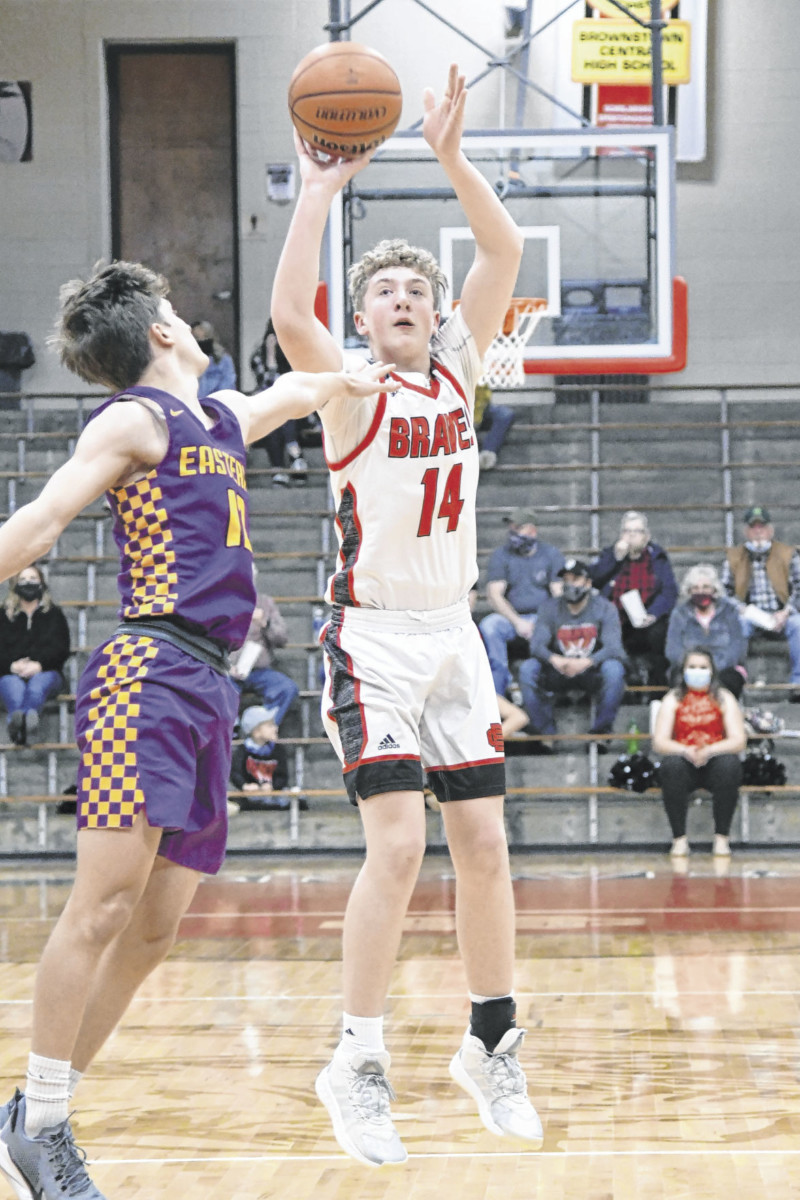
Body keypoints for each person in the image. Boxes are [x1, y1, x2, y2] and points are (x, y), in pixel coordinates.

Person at [0, 259, 392, 1200]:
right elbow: (45, 517)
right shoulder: (133, 418)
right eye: (176, 310)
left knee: (154, 930)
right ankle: (44, 1124)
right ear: (164, 336)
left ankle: (36, 1114)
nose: (187, 319)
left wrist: (352, 376)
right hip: (148, 671)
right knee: (102, 907)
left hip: (208, 684)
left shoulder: (217, 419)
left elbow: (291, 392)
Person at [272, 63, 542, 1167]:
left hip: (450, 643)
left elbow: (505, 254)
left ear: (435, 317)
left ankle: (488, 1041)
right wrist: (320, 193)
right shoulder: (347, 391)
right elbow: (292, 309)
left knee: (481, 842)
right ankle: (359, 1057)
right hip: (368, 636)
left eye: (415, 295)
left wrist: (447, 157)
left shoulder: (457, 372)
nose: (402, 302)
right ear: (365, 316)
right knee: (397, 844)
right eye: (383, 293)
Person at [518, 557, 626, 750]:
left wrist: (587, 662)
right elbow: (536, 645)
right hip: (559, 669)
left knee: (615, 669)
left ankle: (601, 732)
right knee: (527, 669)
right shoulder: (549, 607)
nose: (569, 584)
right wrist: (555, 659)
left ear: (588, 582)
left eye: (575, 579)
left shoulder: (605, 607)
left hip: (591, 671)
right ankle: (545, 732)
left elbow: (613, 647)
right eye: (565, 580)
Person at [652, 647, 746, 859]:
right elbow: (660, 741)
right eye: (692, 667)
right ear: (683, 670)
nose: (697, 671)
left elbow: (738, 740)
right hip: (684, 758)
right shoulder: (672, 699)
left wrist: (710, 750)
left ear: (712, 671)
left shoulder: (724, 697)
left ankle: (722, 838)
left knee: (730, 765)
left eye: (703, 667)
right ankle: (679, 840)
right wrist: (686, 750)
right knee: (671, 766)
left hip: (715, 757)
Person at [479, 508, 565, 700]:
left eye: (518, 528)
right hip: (512, 618)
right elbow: (494, 594)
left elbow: (558, 594)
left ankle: (550, 685)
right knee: (490, 626)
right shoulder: (501, 555)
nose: (513, 533)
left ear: (532, 530)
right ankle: (498, 690)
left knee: (562, 623)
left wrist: (543, 622)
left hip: (543, 617)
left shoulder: (551, 554)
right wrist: (517, 622)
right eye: (511, 528)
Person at [720, 504, 800, 701]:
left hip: (782, 614)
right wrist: (740, 608)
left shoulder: (788, 554)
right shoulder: (734, 557)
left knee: (799, 625)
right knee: (736, 626)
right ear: (746, 531)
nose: (758, 532)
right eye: (753, 528)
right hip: (750, 615)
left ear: (770, 530)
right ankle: (734, 683)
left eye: (761, 527)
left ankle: (797, 683)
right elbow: (723, 591)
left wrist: (787, 611)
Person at [589, 510, 678, 686]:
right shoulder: (609, 555)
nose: (630, 535)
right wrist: (616, 559)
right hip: (616, 618)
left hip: (647, 616)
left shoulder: (657, 557)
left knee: (660, 634)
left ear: (646, 536)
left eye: (636, 531)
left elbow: (669, 591)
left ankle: (657, 686)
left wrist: (653, 614)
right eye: (626, 531)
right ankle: (625, 681)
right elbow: (593, 580)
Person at [0, 564, 70, 745]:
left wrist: (39, 665)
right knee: (12, 686)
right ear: (15, 585)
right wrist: (11, 666)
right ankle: (20, 726)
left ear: (42, 584)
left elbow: (61, 649)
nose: (28, 583)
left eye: (33, 579)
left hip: (47, 672)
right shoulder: (3, 615)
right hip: (10, 672)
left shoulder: (54, 614)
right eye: (23, 580)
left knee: (37, 685)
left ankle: (24, 724)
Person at [665, 563, 747, 699]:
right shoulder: (679, 614)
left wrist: (711, 668)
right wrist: (695, 667)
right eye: (695, 588)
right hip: (689, 668)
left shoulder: (730, 612)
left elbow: (737, 648)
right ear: (689, 591)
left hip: (724, 668)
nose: (701, 592)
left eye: (706, 587)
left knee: (730, 680)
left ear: (714, 589)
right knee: (677, 679)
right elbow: (673, 650)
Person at [229, 581, 299, 728]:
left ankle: (261, 732)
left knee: (287, 688)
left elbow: (282, 639)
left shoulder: (265, 603)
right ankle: (230, 733)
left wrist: (264, 623)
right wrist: (225, 666)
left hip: (260, 671)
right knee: (217, 688)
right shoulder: (220, 603)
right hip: (227, 671)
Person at [249, 317, 309, 486]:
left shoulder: (295, 353)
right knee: (276, 412)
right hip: (272, 405)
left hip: (298, 408)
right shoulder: (258, 356)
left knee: (281, 410)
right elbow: (267, 383)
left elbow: (299, 383)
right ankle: (295, 456)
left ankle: (278, 468)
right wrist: (270, 358)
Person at [229, 705, 290, 807]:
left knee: (288, 797)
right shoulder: (243, 750)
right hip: (252, 792)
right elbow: (236, 773)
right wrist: (245, 786)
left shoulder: (278, 750)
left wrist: (273, 786)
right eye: (270, 725)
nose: (275, 728)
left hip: (273, 792)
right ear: (256, 732)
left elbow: (282, 776)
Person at [474, 381, 516, 471]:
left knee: (505, 414)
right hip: (457, 412)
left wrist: (476, 418)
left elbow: (484, 397)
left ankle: (488, 452)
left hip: (479, 410)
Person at [191, 319, 237, 395]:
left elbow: (228, 386)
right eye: (196, 338)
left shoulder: (224, 360)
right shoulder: (187, 361)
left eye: (205, 337)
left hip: (216, 402)